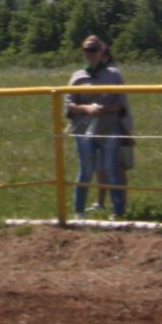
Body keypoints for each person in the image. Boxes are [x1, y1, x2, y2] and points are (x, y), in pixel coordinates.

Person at [64, 35, 128, 219]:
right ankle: (79, 211)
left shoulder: (114, 75)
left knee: (111, 169)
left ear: (102, 52)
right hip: (84, 132)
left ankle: (118, 212)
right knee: (85, 171)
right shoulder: (77, 77)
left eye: (94, 49)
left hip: (109, 129)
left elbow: (121, 103)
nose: (90, 53)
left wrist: (105, 109)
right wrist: (86, 108)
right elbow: (69, 104)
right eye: (87, 50)